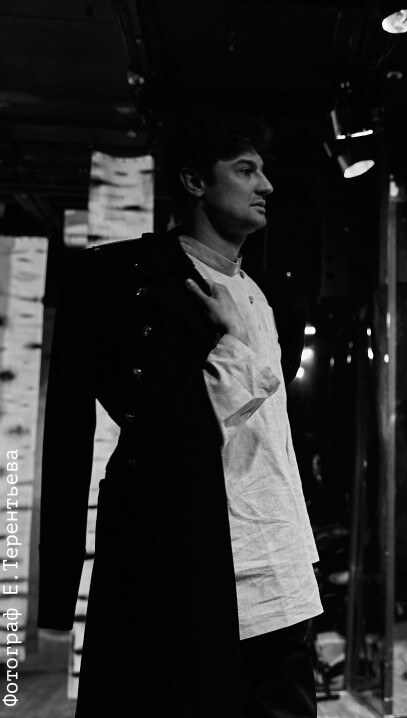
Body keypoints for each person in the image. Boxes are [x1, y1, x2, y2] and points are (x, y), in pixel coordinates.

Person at [36, 108, 322, 718]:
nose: (266, 185)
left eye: (263, 170)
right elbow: (73, 434)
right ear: (195, 181)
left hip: (281, 573)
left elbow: (272, 443)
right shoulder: (122, 280)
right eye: (245, 170)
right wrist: (58, 595)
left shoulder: (275, 298)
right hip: (185, 571)